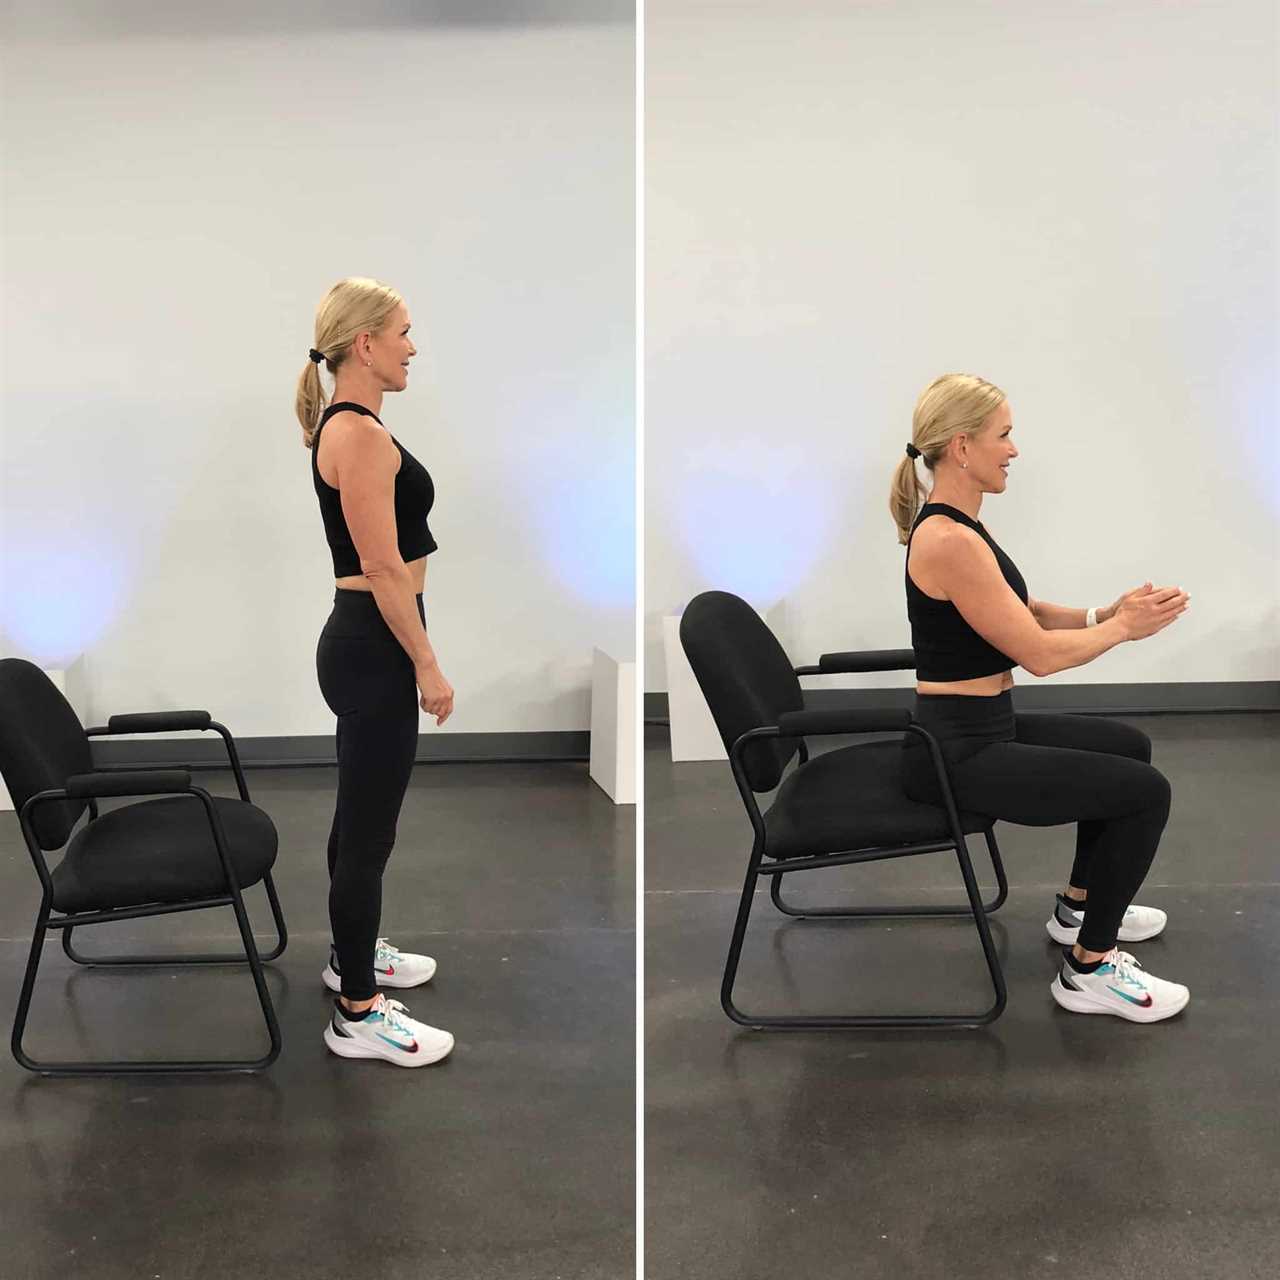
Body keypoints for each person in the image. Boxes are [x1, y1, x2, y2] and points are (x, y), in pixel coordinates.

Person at [890, 373, 1191, 1023]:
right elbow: (1039, 655)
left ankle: (1080, 906)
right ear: (963, 446)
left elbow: (1020, 611)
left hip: (984, 726)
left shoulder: (960, 525)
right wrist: (1123, 630)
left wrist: (1100, 613)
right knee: (1146, 793)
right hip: (958, 751)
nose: (1015, 450)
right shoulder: (948, 539)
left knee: (1129, 748)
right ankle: (1088, 969)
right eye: (1005, 435)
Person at [295, 276, 455, 1066]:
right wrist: (428, 665)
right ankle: (357, 1009)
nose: (412, 347)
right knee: (369, 833)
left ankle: (348, 956)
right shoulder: (355, 433)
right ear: (365, 343)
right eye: (403, 332)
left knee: (360, 818)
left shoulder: (353, 425)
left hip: (369, 641)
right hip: (373, 644)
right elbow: (384, 567)